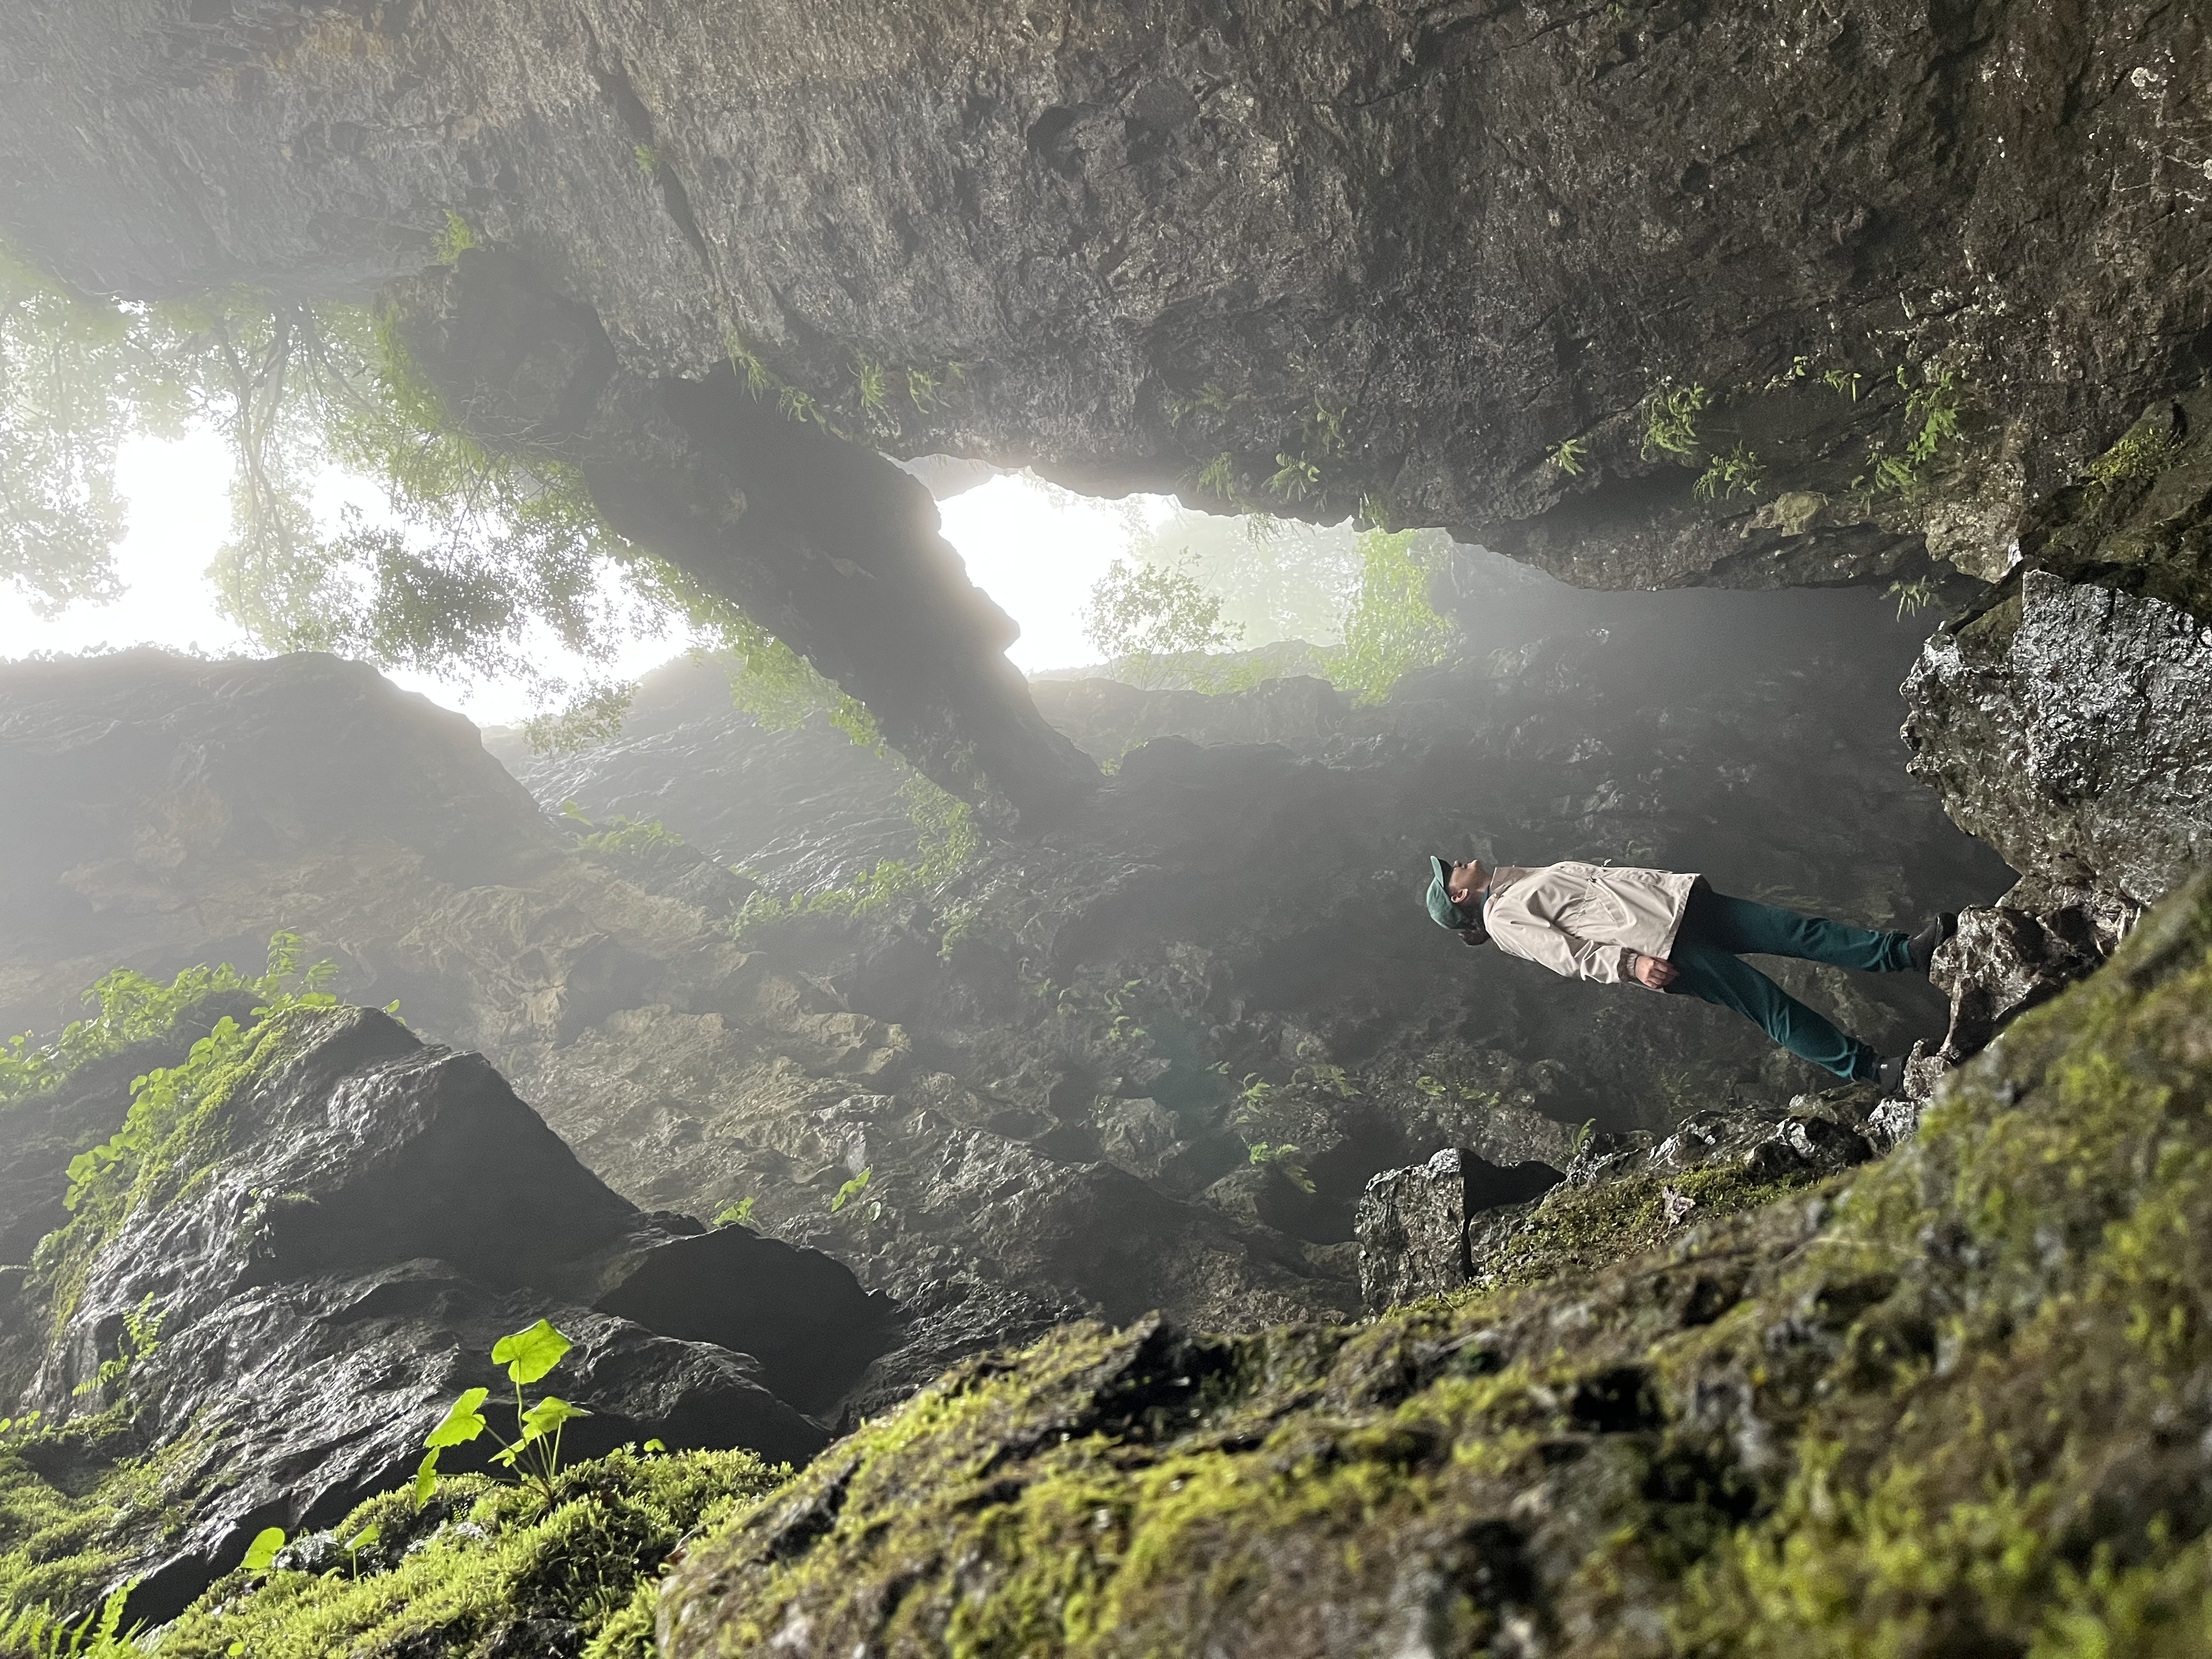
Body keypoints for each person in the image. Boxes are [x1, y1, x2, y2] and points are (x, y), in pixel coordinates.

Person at [1421, 854, 1956, 1095]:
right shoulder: (1501, 915)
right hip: (1662, 948)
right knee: (1769, 1004)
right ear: (1461, 895)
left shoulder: (1519, 880)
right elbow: (1567, 954)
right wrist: (1631, 965)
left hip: (1683, 908)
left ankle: (1907, 954)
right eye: (1451, 872)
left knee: (1797, 930)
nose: (1457, 862)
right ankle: (1874, 1071)